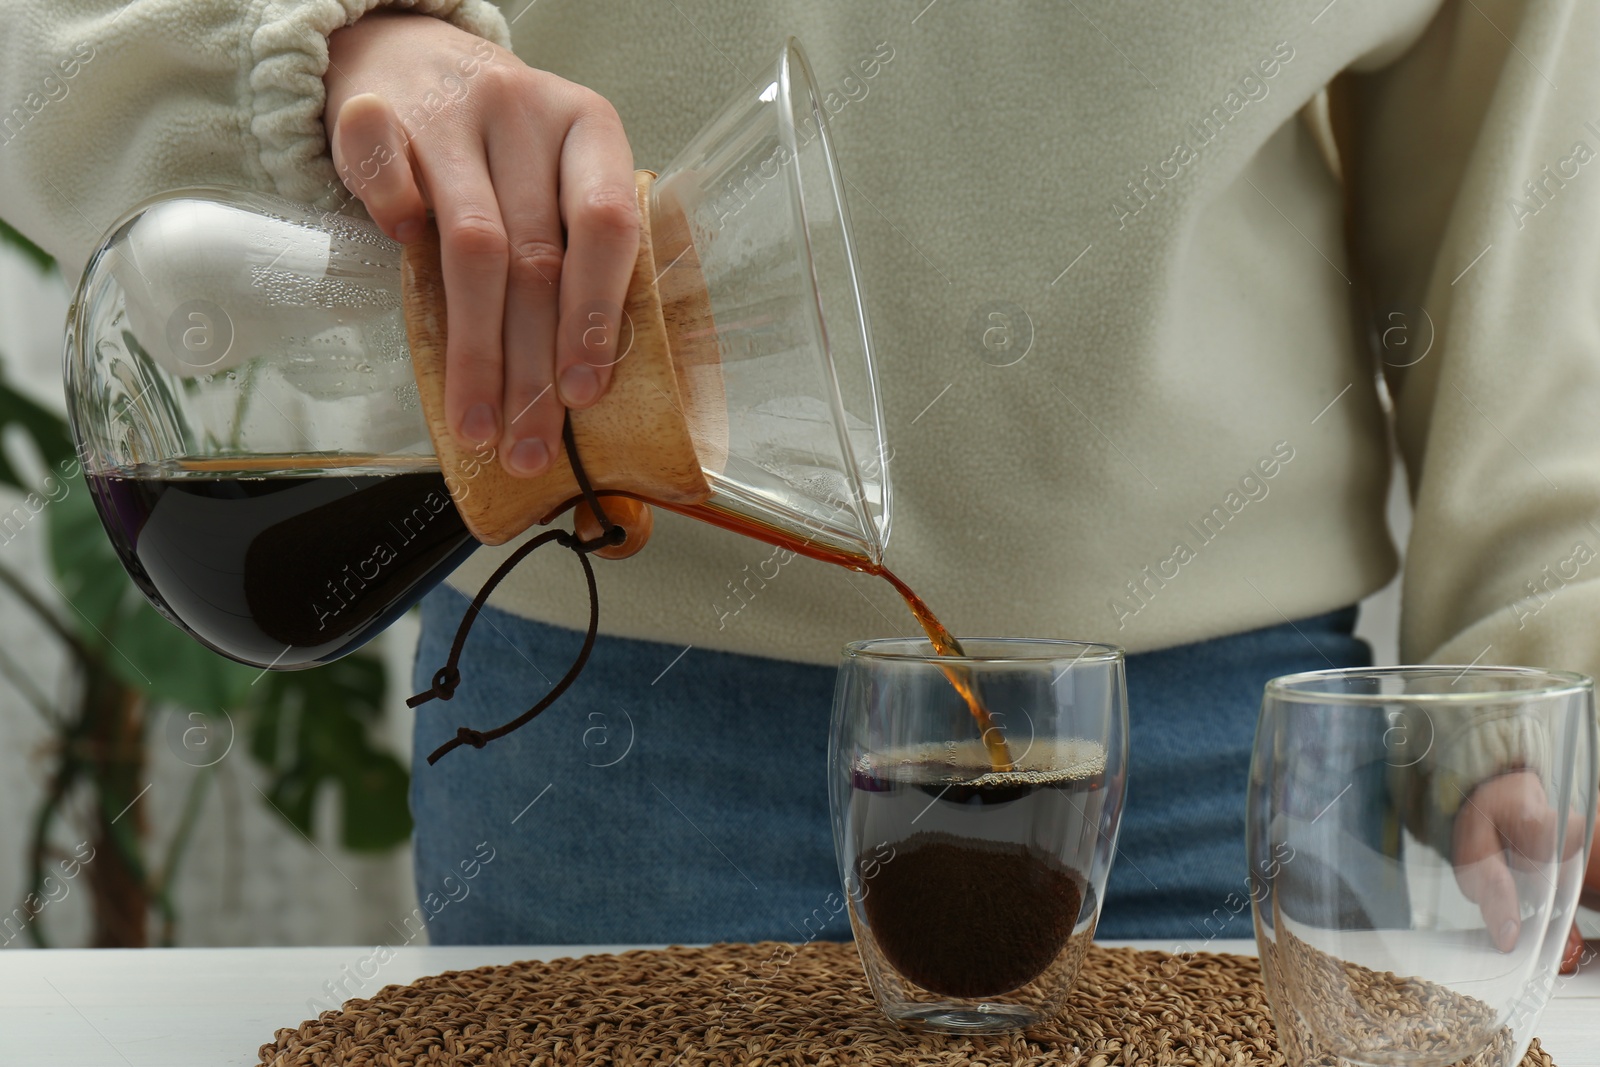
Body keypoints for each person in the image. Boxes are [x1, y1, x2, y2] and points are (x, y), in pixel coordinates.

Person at [2, 0, 1597, 955]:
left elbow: (1534, 131)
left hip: (1212, 768)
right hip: (616, 739)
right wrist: (347, 31)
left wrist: (1561, 647)